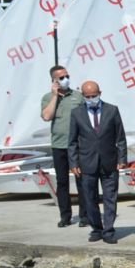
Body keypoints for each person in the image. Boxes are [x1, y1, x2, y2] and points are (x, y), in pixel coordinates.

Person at [68, 80, 127, 244]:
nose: (91, 99)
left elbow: (120, 138)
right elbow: (72, 141)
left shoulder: (112, 110)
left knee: (110, 198)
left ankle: (108, 230)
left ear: (100, 93)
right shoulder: (76, 113)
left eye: (94, 95)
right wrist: (73, 163)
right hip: (87, 162)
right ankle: (97, 228)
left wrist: (122, 158)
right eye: (88, 96)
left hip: (109, 162)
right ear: (83, 96)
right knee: (89, 198)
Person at [40, 64, 86, 228]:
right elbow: (46, 116)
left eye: (67, 76)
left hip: (78, 145)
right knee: (62, 182)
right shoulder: (47, 97)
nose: (65, 79)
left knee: (82, 180)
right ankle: (65, 216)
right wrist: (55, 96)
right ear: (54, 80)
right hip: (59, 145)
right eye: (61, 78)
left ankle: (84, 216)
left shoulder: (78, 96)